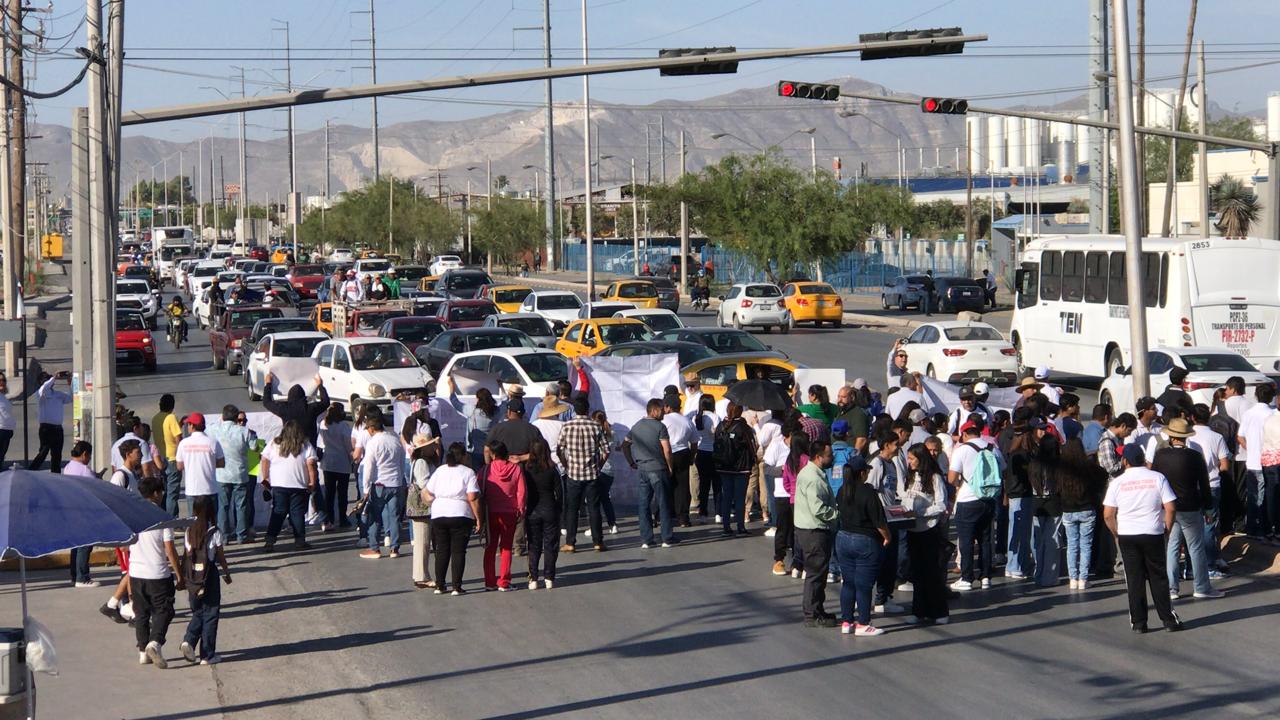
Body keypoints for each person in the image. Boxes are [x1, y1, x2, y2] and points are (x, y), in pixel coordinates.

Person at [1104, 444, 1183, 633]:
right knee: (1159, 577)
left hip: (1128, 534)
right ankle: (1168, 620)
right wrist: (1167, 528)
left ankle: (1139, 622)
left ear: (1125, 461)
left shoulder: (1117, 483)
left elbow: (1108, 514)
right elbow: (1171, 508)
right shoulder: (1157, 478)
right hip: (1153, 532)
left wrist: (1116, 532)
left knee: (1134, 579)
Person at [1152, 418, 1224, 600]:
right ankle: (1201, 587)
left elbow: (1156, 480)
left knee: (1172, 547)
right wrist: (1208, 509)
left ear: (1171, 436)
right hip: (1191, 506)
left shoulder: (1160, 455)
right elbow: (1204, 484)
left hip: (1168, 507)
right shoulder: (1194, 456)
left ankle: (1171, 588)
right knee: (1196, 547)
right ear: (1185, 437)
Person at [130, 475, 185, 669]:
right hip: (157, 573)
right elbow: (169, 549)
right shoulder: (162, 517)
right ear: (155, 493)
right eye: (161, 491)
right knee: (164, 610)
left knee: (141, 613)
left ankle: (142, 652)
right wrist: (179, 574)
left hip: (135, 572)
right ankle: (155, 643)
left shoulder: (132, 516)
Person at [831, 454, 887, 635]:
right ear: (862, 473)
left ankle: (847, 621)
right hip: (865, 540)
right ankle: (863, 623)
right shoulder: (868, 492)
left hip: (843, 538)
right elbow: (879, 521)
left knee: (848, 583)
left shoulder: (842, 490)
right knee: (864, 584)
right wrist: (887, 537)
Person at [949, 418, 1005, 591]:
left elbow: (951, 478)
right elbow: (1003, 469)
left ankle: (967, 578)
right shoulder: (992, 448)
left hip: (967, 499)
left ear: (964, 434)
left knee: (966, 541)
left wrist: (959, 484)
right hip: (988, 499)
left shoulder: (961, 450)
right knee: (985, 540)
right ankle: (986, 576)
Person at [900, 443, 950, 625]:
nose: (909, 462)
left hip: (929, 530)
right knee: (917, 573)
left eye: (912, 458)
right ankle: (918, 611)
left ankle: (940, 611)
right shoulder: (911, 476)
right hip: (912, 529)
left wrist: (920, 513)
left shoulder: (935, 478)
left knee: (932, 573)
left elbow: (941, 505)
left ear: (921, 459)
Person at [179, 496, 231, 666]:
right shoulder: (214, 532)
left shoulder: (189, 530)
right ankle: (207, 655)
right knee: (211, 614)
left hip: (192, 577)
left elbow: (186, 554)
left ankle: (189, 640)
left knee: (198, 611)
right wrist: (227, 573)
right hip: (209, 577)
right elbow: (220, 557)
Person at [424, 443, 482, 595]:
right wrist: (478, 518)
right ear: (463, 456)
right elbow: (472, 497)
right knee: (458, 551)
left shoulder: (440, 470)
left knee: (442, 550)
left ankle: (440, 585)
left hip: (439, 512)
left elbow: (428, 491)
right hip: (460, 513)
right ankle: (456, 586)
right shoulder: (468, 472)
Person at [557, 397, 611, 552]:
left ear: (574, 410)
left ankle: (570, 543)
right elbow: (606, 450)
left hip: (573, 473)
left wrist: (566, 465)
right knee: (594, 508)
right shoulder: (595, 426)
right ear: (587, 409)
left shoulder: (567, 426)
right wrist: (599, 465)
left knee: (572, 509)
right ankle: (598, 542)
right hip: (592, 473)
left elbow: (560, 449)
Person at [794, 440, 838, 628]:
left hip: (808, 529)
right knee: (816, 573)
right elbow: (818, 508)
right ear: (819, 457)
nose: (832, 458)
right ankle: (812, 614)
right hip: (814, 531)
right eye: (829, 455)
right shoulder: (814, 478)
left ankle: (817, 609)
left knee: (818, 573)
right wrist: (837, 515)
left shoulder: (809, 472)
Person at [260, 420, 320, 552]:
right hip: (299, 484)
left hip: (278, 484)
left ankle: (270, 541)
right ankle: (300, 541)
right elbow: (311, 465)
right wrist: (312, 482)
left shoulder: (274, 444)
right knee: (297, 513)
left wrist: (265, 477)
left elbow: (264, 459)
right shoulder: (305, 445)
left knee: (278, 512)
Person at [624, 398, 676, 548]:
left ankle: (646, 539)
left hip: (642, 470)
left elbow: (625, 445)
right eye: (662, 410)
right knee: (663, 503)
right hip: (658, 469)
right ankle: (667, 538)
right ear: (654, 410)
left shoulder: (636, 426)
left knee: (643, 504)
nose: (664, 413)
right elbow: (667, 449)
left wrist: (632, 462)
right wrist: (670, 467)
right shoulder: (660, 427)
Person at [866, 430, 906, 611]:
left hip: (891, 515)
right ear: (886, 445)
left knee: (890, 560)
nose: (898, 447)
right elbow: (871, 490)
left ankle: (884, 597)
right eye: (896, 444)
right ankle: (875, 597)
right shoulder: (877, 463)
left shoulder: (892, 464)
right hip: (881, 518)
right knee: (880, 559)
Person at [358, 412, 407, 559]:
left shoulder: (373, 443)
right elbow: (401, 462)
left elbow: (369, 467)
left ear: (372, 428)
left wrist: (366, 488)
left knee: (375, 516)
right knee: (395, 517)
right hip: (396, 483)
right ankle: (394, 548)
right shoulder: (395, 439)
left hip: (380, 484)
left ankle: (374, 548)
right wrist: (400, 479)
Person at [1059, 439, 1107, 590]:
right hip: (1087, 508)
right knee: (1086, 545)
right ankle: (1083, 579)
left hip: (1068, 510)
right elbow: (1103, 475)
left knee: (1072, 545)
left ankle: (1072, 579)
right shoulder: (1089, 467)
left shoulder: (1061, 469)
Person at [1189, 404, 1231, 575]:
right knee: (1210, 525)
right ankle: (1209, 564)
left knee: (1193, 526)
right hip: (1212, 484)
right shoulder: (1216, 437)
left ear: (1192, 417)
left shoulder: (1187, 436)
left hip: (1191, 486)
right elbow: (1225, 465)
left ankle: (1195, 565)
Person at [481, 440, 527, 591]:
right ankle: (504, 581)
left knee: (490, 547)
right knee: (506, 547)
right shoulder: (515, 469)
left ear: (493, 455)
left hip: (490, 512)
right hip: (509, 512)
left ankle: (489, 582)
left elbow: (478, 488)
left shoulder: (486, 470)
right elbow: (521, 491)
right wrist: (520, 508)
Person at [205, 405, 255, 543]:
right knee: (241, 506)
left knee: (223, 506)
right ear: (236, 418)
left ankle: (224, 536)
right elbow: (254, 447)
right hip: (240, 473)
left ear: (222, 416)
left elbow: (206, 430)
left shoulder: (214, 429)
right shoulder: (244, 431)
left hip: (222, 474)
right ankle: (241, 535)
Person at [713, 402, 757, 537]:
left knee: (726, 496)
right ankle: (740, 526)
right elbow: (752, 446)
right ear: (740, 411)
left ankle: (726, 527)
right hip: (741, 467)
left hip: (724, 467)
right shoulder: (743, 427)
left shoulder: (720, 426)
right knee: (739, 497)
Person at [1237, 383, 1276, 538]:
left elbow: (1240, 437)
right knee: (1267, 497)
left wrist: (1251, 448)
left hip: (1252, 462)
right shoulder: (1273, 414)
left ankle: (1252, 528)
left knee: (1253, 497)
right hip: (1270, 462)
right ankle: (1263, 529)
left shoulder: (1248, 413)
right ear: (1271, 397)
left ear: (1255, 396)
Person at [1028, 419, 1064, 587]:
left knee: (1039, 540)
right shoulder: (1058, 465)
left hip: (1037, 503)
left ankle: (1038, 572)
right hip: (1054, 503)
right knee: (1053, 541)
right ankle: (1049, 576)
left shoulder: (1034, 463)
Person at [524, 437, 562, 589]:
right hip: (549, 509)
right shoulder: (552, 469)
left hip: (532, 510)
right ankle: (549, 577)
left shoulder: (527, 470)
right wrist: (559, 509)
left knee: (534, 545)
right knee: (550, 544)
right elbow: (560, 493)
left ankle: (533, 578)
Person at [62, 441, 100, 587]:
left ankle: (75, 574)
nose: (89, 459)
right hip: (84, 511)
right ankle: (82, 577)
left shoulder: (68, 467)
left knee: (76, 545)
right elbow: (95, 488)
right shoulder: (85, 470)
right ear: (84, 454)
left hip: (71, 510)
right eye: (89, 456)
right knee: (85, 545)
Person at [1003, 415, 1037, 580]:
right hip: (1022, 495)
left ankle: (1015, 564)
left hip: (1014, 495)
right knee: (1021, 532)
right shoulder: (1023, 455)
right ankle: (1016, 566)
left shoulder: (1012, 453)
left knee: (1016, 531)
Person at [263, 373, 330, 447]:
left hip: (290, 447)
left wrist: (268, 384)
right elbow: (326, 402)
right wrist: (320, 385)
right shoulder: (311, 409)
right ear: (303, 396)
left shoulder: (285, 409)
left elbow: (266, 402)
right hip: (309, 447)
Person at [175, 413, 225, 512]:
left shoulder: (183, 443)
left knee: (193, 520)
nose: (187, 427)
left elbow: (179, 466)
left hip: (192, 489)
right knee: (211, 520)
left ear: (192, 426)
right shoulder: (213, 442)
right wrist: (209, 463)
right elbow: (222, 463)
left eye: (188, 424)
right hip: (210, 488)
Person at [408, 433, 439, 590]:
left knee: (423, 541)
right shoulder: (421, 462)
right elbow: (423, 484)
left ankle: (420, 575)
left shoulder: (423, 461)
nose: (434, 447)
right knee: (422, 542)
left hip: (423, 507)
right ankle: (421, 576)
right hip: (423, 506)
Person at [662, 394, 697, 527]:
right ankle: (683, 517)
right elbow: (694, 442)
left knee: (666, 484)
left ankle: (665, 514)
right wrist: (692, 457)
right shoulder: (687, 421)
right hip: (683, 453)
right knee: (682, 486)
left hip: (667, 453)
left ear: (668, 407)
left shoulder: (664, 420)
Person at [318, 403, 355, 529]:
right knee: (342, 493)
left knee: (329, 493)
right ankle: (343, 518)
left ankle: (330, 518)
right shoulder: (343, 426)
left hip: (328, 462)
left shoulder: (324, 424)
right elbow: (348, 445)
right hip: (342, 462)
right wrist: (352, 458)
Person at [30, 371, 72, 472]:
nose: (49, 381)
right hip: (46, 428)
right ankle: (30, 471)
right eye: (46, 379)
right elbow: (45, 387)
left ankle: (56, 476)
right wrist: (54, 377)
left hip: (58, 429)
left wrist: (71, 384)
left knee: (57, 456)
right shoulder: (41, 393)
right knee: (43, 453)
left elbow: (70, 398)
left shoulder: (57, 394)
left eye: (49, 378)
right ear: (41, 381)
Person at [150, 394, 184, 515]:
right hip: (173, 458)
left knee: (165, 491)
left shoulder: (155, 418)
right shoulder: (171, 417)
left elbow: (166, 433)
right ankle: (172, 519)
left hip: (161, 459)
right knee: (172, 493)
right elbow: (177, 437)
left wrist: (180, 424)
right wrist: (181, 455)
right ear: (172, 406)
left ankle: (164, 515)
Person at [690, 395, 721, 523]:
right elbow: (718, 435)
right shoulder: (715, 417)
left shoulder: (696, 418)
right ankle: (718, 513)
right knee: (717, 484)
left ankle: (703, 513)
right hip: (714, 452)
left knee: (704, 484)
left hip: (701, 452)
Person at [591, 410, 621, 534]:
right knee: (605, 498)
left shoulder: (594, 434)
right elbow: (618, 447)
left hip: (598, 469)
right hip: (610, 471)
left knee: (594, 500)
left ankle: (595, 527)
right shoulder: (613, 433)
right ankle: (612, 524)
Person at [466, 388, 499, 469]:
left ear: (478, 399)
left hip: (475, 451)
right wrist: (500, 386)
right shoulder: (496, 411)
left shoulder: (471, 410)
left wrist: (451, 390)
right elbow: (505, 402)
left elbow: (455, 402)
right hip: (491, 451)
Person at [834, 383, 871, 455]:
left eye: (843, 397)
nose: (840, 400)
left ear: (852, 397)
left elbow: (861, 439)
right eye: (839, 396)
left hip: (848, 457)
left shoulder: (858, 414)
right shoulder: (840, 412)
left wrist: (853, 456)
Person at [0, 373, 12, 468]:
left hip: (6, 430)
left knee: (1, 457)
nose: (2, 382)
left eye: (3, 380)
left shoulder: (3, 397)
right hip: (1, 429)